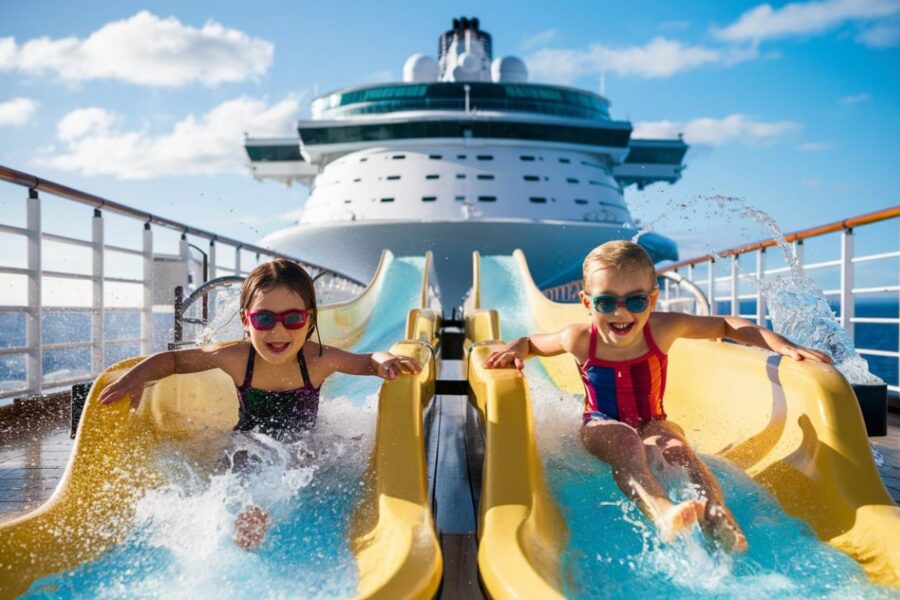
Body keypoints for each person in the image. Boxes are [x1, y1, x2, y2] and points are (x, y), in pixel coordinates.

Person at [486, 241, 831, 552]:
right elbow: (533, 343)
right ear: (587, 303)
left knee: (677, 448)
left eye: (635, 300)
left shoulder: (663, 328)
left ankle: (716, 515)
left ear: (652, 299)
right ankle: (663, 512)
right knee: (624, 441)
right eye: (607, 302)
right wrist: (516, 347)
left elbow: (726, 326)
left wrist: (782, 344)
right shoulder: (578, 337)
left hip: (653, 419)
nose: (622, 313)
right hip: (600, 423)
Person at [99, 258, 421, 550]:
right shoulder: (238, 358)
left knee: (311, 460)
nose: (278, 330)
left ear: (309, 320)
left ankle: (262, 513)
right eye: (264, 318)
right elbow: (172, 361)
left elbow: (367, 361)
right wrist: (135, 378)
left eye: (292, 318)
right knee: (234, 467)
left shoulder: (319, 360)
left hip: (303, 440)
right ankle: (242, 517)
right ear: (246, 320)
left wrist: (385, 361)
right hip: (247, 441)